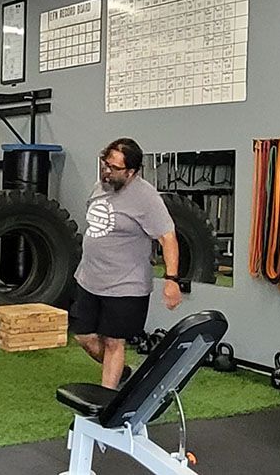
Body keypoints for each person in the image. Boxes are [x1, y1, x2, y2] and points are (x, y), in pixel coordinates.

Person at [72, 138, 182, 388]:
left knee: (114, 342)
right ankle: (119, 371)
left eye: (114, 167)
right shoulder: (101, 186)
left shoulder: (146, 198)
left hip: (125, 285)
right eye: (105, 164)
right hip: (89, 279)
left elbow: (168, 237)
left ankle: (106, 401)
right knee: (84, 337)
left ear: (131, 171)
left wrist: (171, 280)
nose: (106, 171)